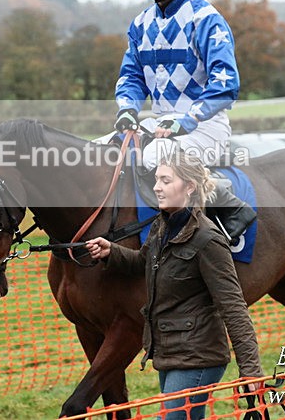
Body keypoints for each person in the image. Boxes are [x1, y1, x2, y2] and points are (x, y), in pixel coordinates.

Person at [86, 151, 263, 420]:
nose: (156, 187)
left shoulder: (208, 239)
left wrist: (250, 368)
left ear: (189, 187)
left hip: (198, 357)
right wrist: (112, 251)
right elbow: (144, 262)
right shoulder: (162, 226)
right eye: (156, 179)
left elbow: (233, 306)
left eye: (166, 180)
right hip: (169, 353)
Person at [114, 0, 240, 171]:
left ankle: (218, 204)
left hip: (205, 126)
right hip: (159, 124)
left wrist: (189, 119)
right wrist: (128, 109)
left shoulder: (204, 18)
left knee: (153, 162)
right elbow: (132, 77)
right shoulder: (140, 24)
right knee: (101, 153)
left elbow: (227, 83)